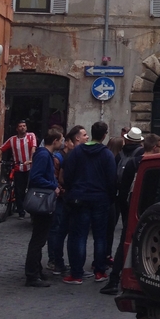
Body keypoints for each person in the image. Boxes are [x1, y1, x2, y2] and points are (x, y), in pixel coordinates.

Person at [100, 133, 160, 296]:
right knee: (150, 244)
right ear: (155, 147)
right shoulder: (159, 164)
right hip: (152, 211)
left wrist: (126, 210)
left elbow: (123, 190)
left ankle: (115, 280)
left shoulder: (133, 163)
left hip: (133, 209)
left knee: (125, 243)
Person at [62, 121, 117, 284]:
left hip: (80, 198)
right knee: (100, 236)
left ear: (92, 133)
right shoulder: (107, 154)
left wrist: (73, 190)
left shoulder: (77, 152)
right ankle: (99, 271)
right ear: (104, 135)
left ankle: (76, 274)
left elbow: (68, 175)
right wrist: (110, 197)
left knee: (79, 236)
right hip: (100, 198)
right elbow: (112, 179)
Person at [24, 130, 63, 287]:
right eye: (61, 140)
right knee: (38, 240)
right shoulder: (43, 155)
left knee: (40, 239)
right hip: (42, 201)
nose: (62, 143)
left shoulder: (45, 155)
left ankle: (37, 270)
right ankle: (32, 275)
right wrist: (53, 186)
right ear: (54, 141)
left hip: (44, 200)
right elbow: (36, 177)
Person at [47, 125, 85, 275]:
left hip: (66, 197)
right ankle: (55, 261)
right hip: (62, 197)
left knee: (62, 230)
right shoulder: (61, 157)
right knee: (58, 230)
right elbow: (58, 178)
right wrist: (62, 189)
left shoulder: (69, 156)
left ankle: (58, 261)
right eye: (84, 135)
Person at [0, 120, 37, 217]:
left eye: (24, 126)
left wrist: (30, 159)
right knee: (18, 190)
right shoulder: (12, 139)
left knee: (29, 188)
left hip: (29, 167)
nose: (22, 127)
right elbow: (2, 148)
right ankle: (21, 211)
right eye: (20, 126)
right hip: (18, 167)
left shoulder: (31, 136)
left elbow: (33, 148)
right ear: (17, 129)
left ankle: (30, 208)